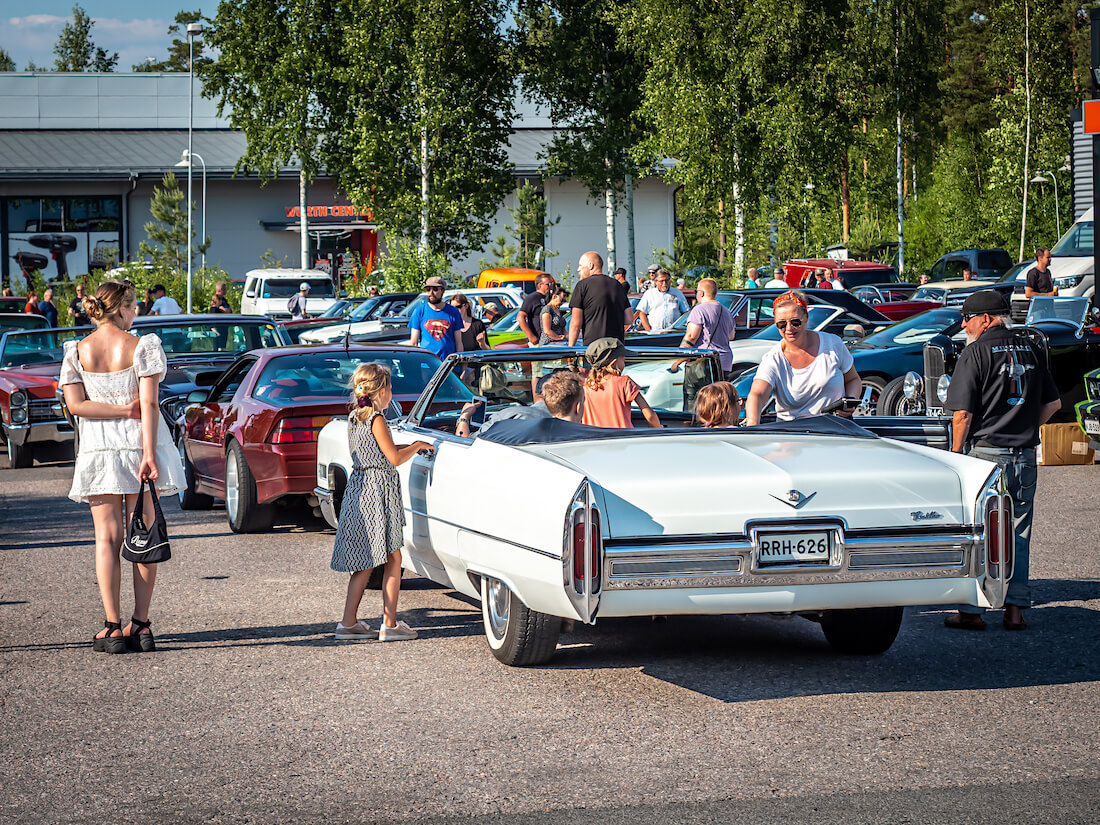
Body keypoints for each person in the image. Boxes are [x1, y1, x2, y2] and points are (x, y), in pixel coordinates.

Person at [59, 279, 184, 654]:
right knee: (143, 535)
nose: (137, 314)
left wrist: (114, 411)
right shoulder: (142, 345)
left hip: (100, 450)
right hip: (138, 446)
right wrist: (148, 453)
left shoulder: (77, 350)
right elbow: (148, 405)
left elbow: (77, 406)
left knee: (107, 539)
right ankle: (141, 625)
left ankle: (112, 627)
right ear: (125, 307)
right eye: (134, 307)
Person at [942, 290, 1061, 632]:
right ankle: (1015, 610)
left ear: (988, 318)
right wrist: (1022, 426)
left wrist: (955, 456)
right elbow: (1052, 405)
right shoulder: (1033, 348)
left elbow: (962, 414)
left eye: (968, 318)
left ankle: (972, 611)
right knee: (1019, 531)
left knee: (980, 532)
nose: (964, 324)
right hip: (1023, 456)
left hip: (985, 457)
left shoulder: (975, 352)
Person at [330, 363, 435, 642]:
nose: (392, 393)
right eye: (390, 388)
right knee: (392, 557)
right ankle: (389, 623)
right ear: (380, 390)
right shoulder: (376, 419)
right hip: (379, 491)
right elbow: (394, 458)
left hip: (360, 489)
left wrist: (412, 446)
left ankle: (348, 622)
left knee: (365, 561)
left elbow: (379, 452)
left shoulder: (355, 417)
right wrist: (416, 445)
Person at [744, 291, 861, 424]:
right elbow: (757, 395)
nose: (789, 328)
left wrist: (850, 402)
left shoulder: (832, 344)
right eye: (782, 324)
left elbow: (853, 379)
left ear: (806, 317)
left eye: (795, 322)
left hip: (836, 428)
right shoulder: (773, 358)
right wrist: (752, 425)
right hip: (793, 434)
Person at [582, 337, 661, 429]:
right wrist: (658, 428)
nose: (624, 363)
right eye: (623, 360)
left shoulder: (585, 386)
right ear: (613, 363)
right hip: (622, 439)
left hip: (593, 439)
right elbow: (650, 415)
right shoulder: (625, 382)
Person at [568, 251, 632, 346]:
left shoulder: (582, 285)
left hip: (594, 348)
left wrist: (570, 350)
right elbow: (629, 319)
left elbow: (575, 324)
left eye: (580, 265)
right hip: (617, 347)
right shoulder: (617, 285)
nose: (578, 269)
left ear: (590, 265)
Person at [679, 277, 735, 376]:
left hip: (704, 362)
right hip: (725, 362)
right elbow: (731, 336)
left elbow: (691, 337)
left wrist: (678, 360)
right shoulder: (727, 311)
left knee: (698, 391)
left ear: (701, 293)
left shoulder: (699, 310)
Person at [408, 276, 463, 359]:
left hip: (448, 363)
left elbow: (459, 343)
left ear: (442, 291)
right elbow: (413, 343)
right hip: (426, 363)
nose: (431, 292)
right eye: (428, 289)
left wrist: (462, 365)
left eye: (435, 289)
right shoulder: (419, 311)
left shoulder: (453, 312)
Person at [518, 273, 553, 345]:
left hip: (549, 339)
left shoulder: (549, 298)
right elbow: (520, 317)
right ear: (540, 285)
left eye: (551, 284)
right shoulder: (532, 298)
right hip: (538, 340)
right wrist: (531, 336)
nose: (550, 287)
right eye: (548, 284)